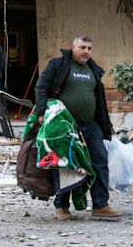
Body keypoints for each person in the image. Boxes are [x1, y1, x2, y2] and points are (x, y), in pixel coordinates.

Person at [34, 34, 121, 221]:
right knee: (66, 164)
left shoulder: (92, 69)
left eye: (89, 48)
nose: (86, 51)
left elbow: (99, 102)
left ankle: (101, 205)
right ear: (73, 47)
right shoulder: (59, 64)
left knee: (100, 161)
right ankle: (62, 207)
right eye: (82, 47)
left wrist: (107, 125)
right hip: (65, 126)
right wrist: (42, 113)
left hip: (91, 125)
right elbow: (41, 86)